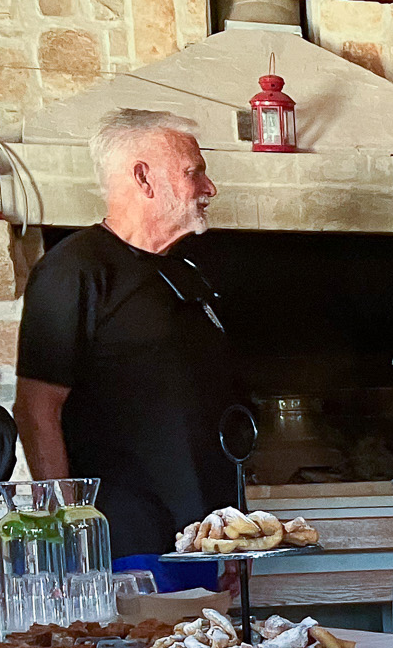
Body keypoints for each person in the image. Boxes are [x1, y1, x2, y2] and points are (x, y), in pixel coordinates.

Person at [15, 108, 233, 586]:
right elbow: (36, 409)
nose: (209, 188)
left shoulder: (185, 272)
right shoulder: (74, 269)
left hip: (203, 538)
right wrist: (70, 535)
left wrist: (231, 532)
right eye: (194, 172)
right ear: (144, 177)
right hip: (128, 544)